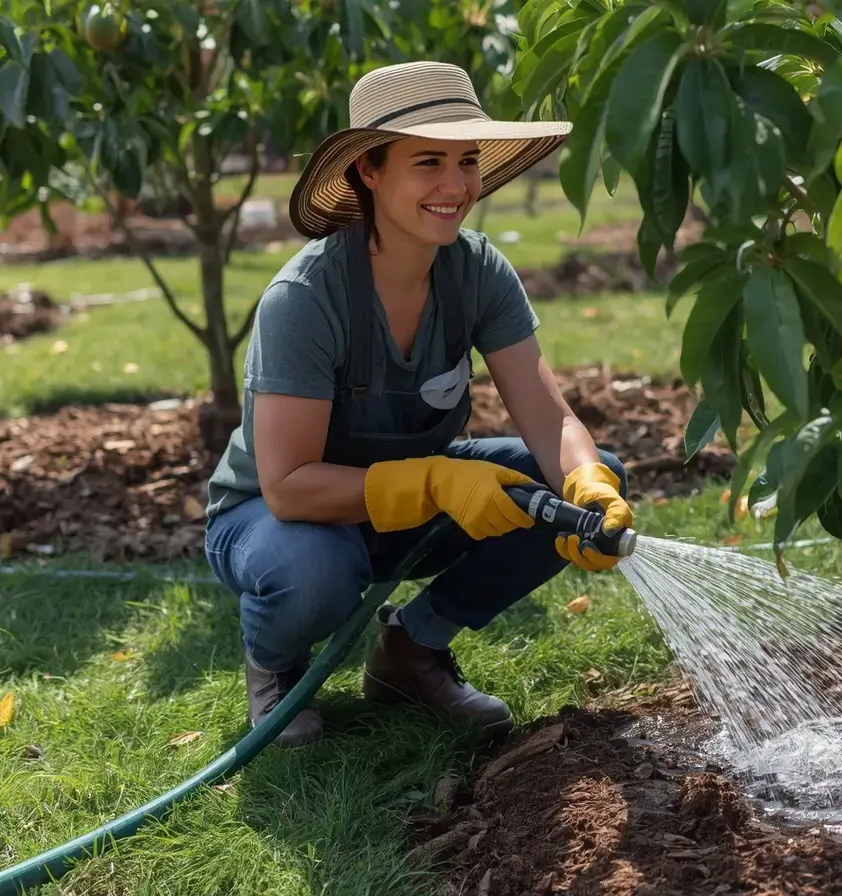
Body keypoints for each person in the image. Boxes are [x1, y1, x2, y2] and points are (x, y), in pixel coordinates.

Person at [202, 61, 635, 749]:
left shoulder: (477, 271)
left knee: (568, 484)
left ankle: (412, 649)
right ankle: (277, 666)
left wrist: (588, 480)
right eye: (427, 162)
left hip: (404, 505)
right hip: (279, 520)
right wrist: (437, 479)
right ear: (368, 171)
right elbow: (287, 488)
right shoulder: (305, 300)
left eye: (467, 162)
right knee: (312, 573)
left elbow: (549, 418)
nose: (455, 186)